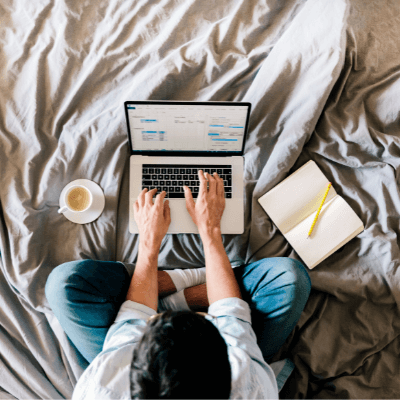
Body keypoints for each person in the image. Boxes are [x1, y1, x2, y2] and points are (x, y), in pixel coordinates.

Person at [45, 170, 312, 399]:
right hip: (226, 351)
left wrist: (149, 243)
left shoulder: (104, 386)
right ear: (228, 363)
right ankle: (195, 287)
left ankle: (167, 292)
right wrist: (210, 232)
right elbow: (230, 311)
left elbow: (134, 317)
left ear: (135, 370)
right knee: (290, 280)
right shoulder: (250, 385)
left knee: (63, 285)